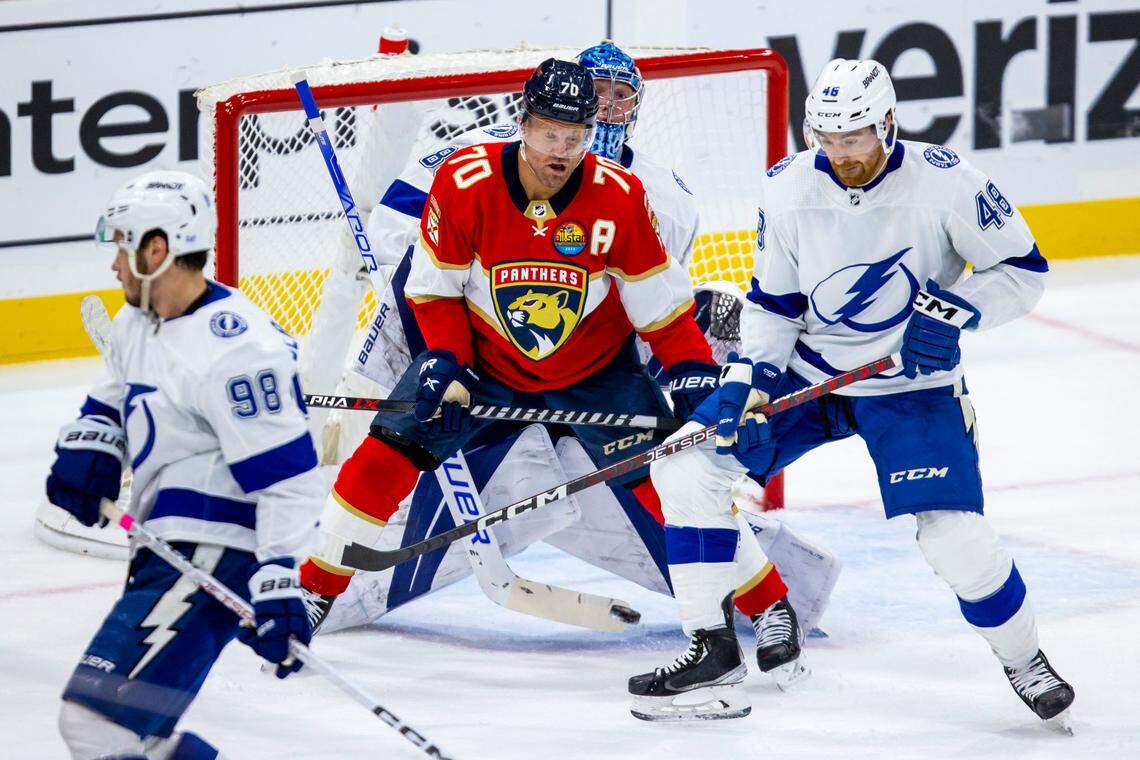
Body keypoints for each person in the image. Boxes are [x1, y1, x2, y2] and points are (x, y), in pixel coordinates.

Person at [307, 42, 829, 672]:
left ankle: (772, 605)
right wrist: (446, 361)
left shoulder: (620, 195)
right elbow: (431, 288)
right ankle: (314, 590)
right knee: (384, 452)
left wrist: (694, 380)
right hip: (482, 366)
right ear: (523, 123)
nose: (562, 149)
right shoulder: (464, 182)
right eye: (550, 132)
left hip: (596, 374)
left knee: (681, 481)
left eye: (576, 135)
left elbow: (661, 310)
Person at [631, 58, 1075, 726]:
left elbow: (1023, 271)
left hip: (913, 386)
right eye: (827, 140)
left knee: (954, 538)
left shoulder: (949, 183)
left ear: (888, 124)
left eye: (856, 139)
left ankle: (1024, 658)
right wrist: (750, 381)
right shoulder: (786, 188)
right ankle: (712, 647)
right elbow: (775, 303)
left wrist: (951, 312)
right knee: (685, 466)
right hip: (809, 375)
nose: (841, 155)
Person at [49, 170, 324, 758]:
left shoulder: (240, 350)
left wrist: (278, 577)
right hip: (165, 547)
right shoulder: (138, 320)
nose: (114, 266)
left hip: (210, 556)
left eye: (124, 247)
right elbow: (117, 393)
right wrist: (93, 439)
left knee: (96, 725)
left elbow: (289, 476)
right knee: (143, 740)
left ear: (157, 248)